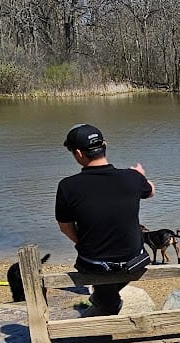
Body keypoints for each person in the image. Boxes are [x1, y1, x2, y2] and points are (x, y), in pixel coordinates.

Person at [54, 123, 154, 317]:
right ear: (105, 145)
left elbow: (65, 227)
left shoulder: (67, 186)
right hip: (134, 259)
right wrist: (141, 177)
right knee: (128, 252)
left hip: (94, 263)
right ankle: (106, 301)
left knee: (98, 271)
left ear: (78, 153)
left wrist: (82, 243)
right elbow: (150, 191)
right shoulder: (132, 177)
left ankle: (106, 303)